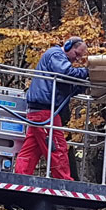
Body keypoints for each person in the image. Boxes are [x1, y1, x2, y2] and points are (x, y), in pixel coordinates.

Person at [15, 37, 89, 180]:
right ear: (68, 47)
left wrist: (85, 83)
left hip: (39, 111)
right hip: (45, 111)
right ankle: (64, 182)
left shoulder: (58, 62)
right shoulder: (56, 55)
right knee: (57, 146)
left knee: (32, 149)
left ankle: (20, 178)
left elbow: (69, 88)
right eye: (77, 54)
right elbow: (67, 73)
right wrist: (88, 73)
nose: (77, 59)